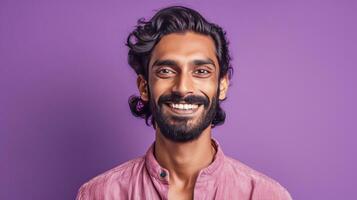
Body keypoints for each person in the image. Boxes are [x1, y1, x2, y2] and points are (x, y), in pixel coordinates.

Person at [76, 6, 292, 200]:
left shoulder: (266, 196)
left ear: (222, 85)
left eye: (201, 72)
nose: (182, 87)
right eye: (166, 71)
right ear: (144, 87)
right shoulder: (100, 195)